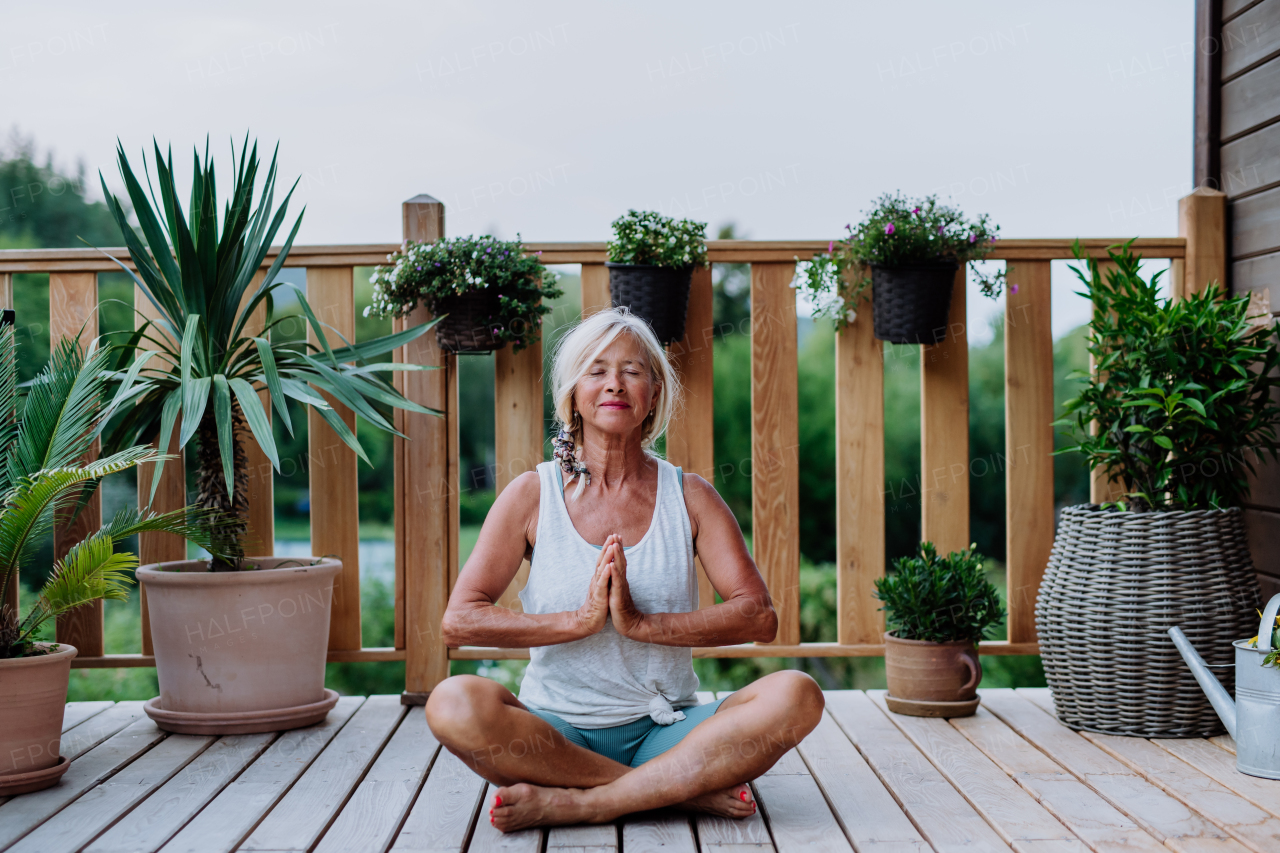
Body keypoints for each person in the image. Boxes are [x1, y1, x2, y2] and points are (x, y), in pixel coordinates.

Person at [425, 307, 824, 832]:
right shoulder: (532, 494)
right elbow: (461, 620)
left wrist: (642, 625)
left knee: (797, 694)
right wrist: (579, 622)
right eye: (596, 370)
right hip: (555, 736)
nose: (615, 383)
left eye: (633, 371)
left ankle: (590, 802)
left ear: (653, 393)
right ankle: (673, 789)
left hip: (668, 730)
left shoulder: (691, 495)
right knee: (452, 703)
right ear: (573, 393)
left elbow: (758, 618)